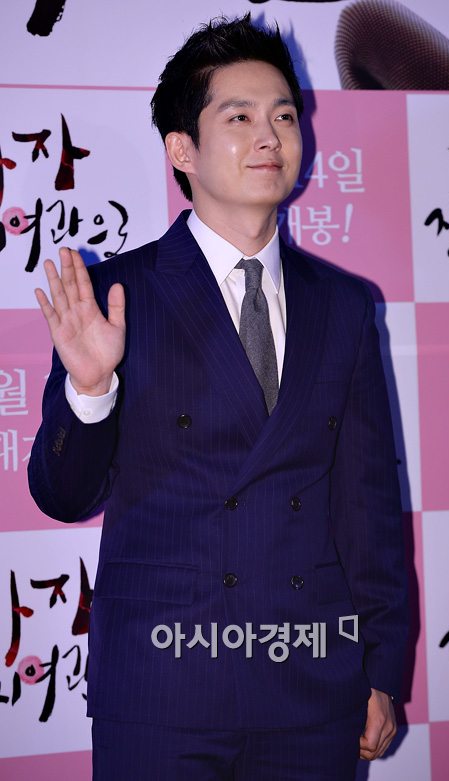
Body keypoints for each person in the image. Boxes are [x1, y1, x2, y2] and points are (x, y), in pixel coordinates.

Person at [28, 14, 408, 781]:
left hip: (311, 688)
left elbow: (366, 505)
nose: (269, 136)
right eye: (239, 117)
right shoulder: (117, 295)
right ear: (183, 150)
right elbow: (62, 495)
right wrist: (91, 387)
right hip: (163, 690)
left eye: (284, 116)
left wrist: (381, 666)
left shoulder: (342, 304)